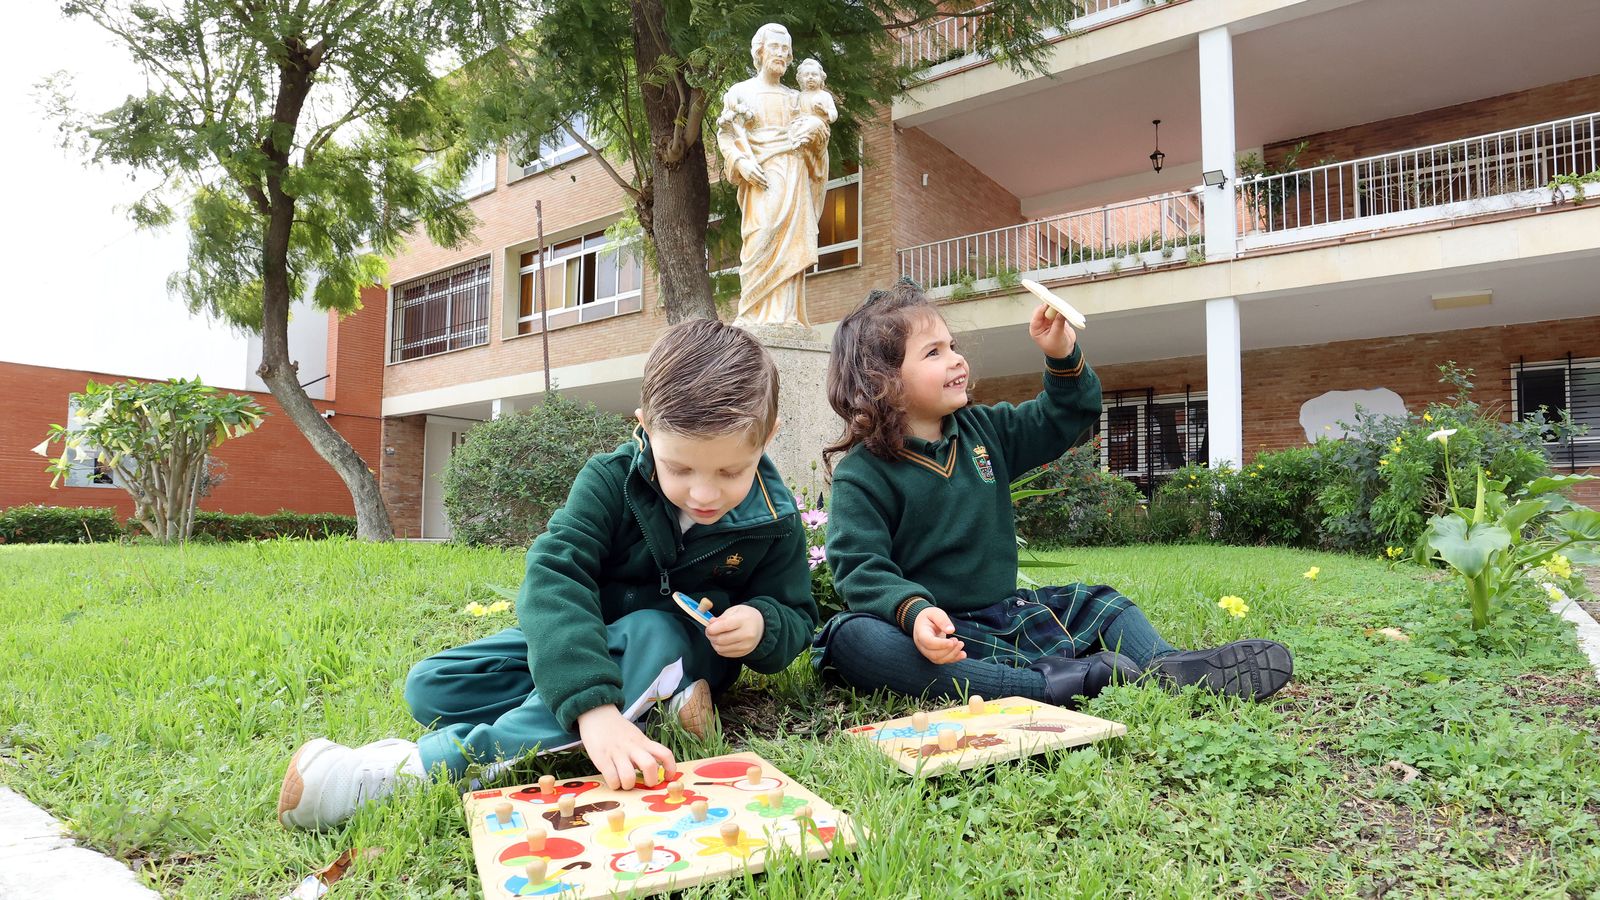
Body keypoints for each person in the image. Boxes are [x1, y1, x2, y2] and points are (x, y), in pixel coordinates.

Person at [278, 319, 818, 830]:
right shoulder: (608, 481)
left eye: (730, 471)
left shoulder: (775, 519)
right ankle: (648, 707)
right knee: (432, 687)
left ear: (767, 437)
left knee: (653, 628)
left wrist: (762, 624)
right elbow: (555, 575)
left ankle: (422, 768)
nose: (703, 492)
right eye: (679, 467)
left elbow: (796, 614)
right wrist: (591, 706)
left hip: (677, 646)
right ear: (644, 427)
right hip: (591, 640)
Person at [813, 278, 1293, 709]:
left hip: (1007, 615)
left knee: (1100, 602)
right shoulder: (863, 474)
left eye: (952, 345)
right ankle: (1041, 687)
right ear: (883, 383)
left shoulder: (984, 432)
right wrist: (915, 613)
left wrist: (1062, 355)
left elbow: (1065, 416)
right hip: (940, 634)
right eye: (933, 352)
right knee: (853, 638)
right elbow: (859, 566)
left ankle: (1165, 667)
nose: (956, 358)